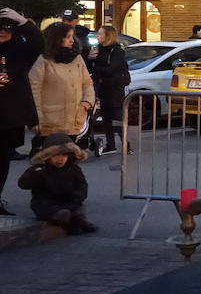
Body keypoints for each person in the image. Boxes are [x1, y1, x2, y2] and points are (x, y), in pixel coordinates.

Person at [0, 9, 41, 215]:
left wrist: (24, 21)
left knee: (3, 159)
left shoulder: (20, 51)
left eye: (7, 29)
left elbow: (38, 44)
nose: (3, 33)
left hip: (10, 115)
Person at [29, 21, 95, 150]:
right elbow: (34, 90)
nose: (71, 40)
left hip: (75, 119)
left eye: (72, 37)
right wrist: (37, 118)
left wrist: (86, 104)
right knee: (51, 159)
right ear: (56, 39)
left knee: (70, 160)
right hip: (51, 122)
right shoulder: (43, 61)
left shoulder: (77, 59)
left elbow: (87, 83)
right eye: (67, 37)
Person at [17, 134, 96, 234]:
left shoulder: (73, 168)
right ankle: (74, 225)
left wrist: (77, 196)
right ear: (47, 156)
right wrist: (35, 172)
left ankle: (79, 222)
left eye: (64, 155)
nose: (60, 159)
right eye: (55, 155)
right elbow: (23, 184)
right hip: (46, 205)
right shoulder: (41, 169)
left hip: (69, 201)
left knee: (79, 210)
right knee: (62, 214)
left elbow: (82, 185)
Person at [89, 26, 130, 156]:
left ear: (108, 36)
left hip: (115, 88)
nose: (98, 36)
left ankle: (126, 144)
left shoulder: (117, 51)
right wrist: (91, 59)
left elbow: (112, 69)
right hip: (103, 87)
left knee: (117, 117)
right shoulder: (99, 49)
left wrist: (97, 68)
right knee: (106, 117)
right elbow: (94, 66)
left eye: (100, 34)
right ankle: (110, 144)